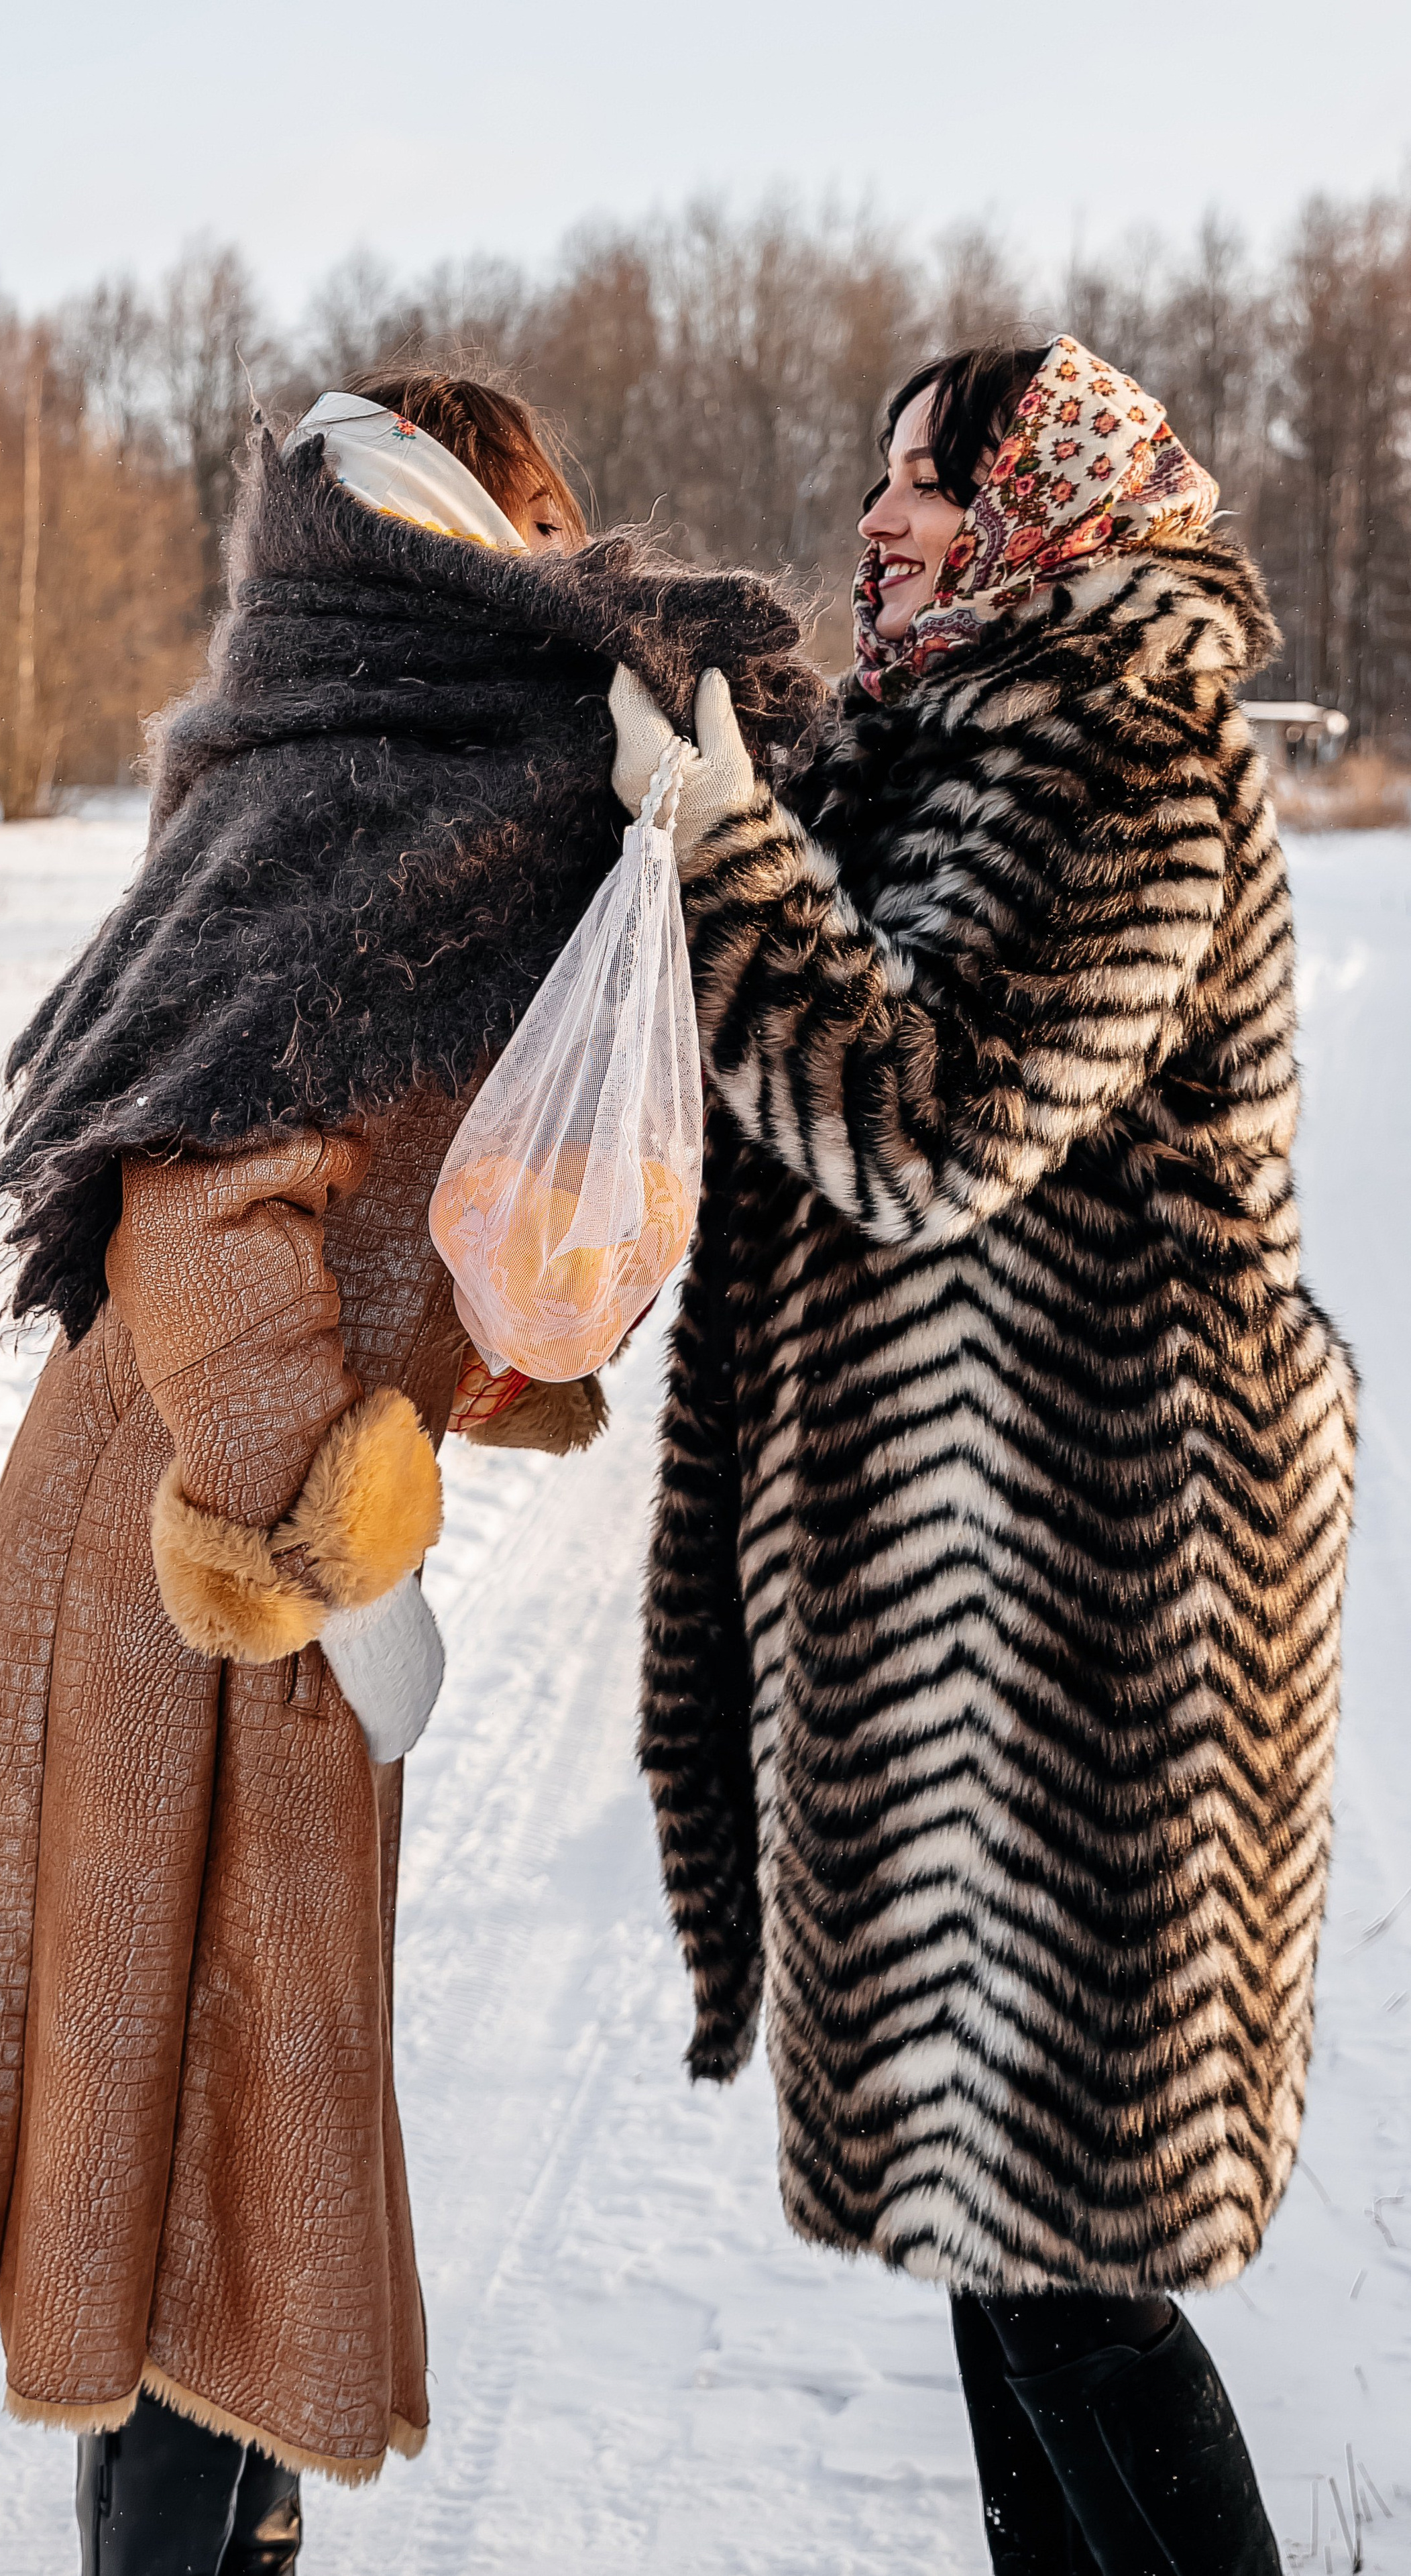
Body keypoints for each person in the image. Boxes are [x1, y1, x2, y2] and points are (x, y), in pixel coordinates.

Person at [0, 369, 822, 2575]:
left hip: (209, 1516)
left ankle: (230, 2533)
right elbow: (196, 1201)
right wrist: (346, 1556)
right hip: (209, 1540)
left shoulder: (363, 753)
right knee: (198, 2149)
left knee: (226, 2108)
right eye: (529, 535)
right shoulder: (389, 778)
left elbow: (415, 1166)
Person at [612, 337, 1357, 2573]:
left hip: (1103, 1603)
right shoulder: (920, 754)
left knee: (1070, 2266)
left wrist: (719, 845)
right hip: (924, 1614)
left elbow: (935, 1133)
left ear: (1050, 502)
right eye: (879, 479)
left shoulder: (1130, 753)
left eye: (931, 481)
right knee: (997, 2259)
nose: (884, 518)